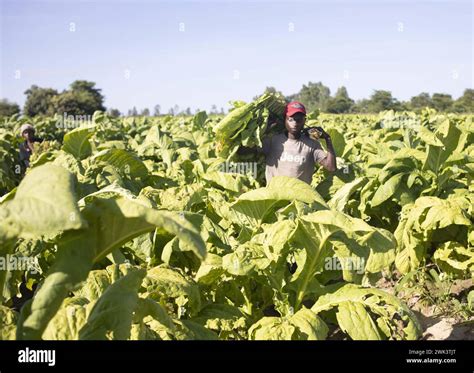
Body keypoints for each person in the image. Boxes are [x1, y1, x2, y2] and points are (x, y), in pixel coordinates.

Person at [239, 101, 337, 185]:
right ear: (284, 119)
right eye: (291, 119)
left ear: (304, 121)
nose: (295, 123)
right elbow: (242, 152)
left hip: (299, 200)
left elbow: (331, 167)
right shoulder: (273, 140)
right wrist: (264, 129)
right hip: (274, 199)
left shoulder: (312, 144)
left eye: (299, 119)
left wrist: (328, 139)